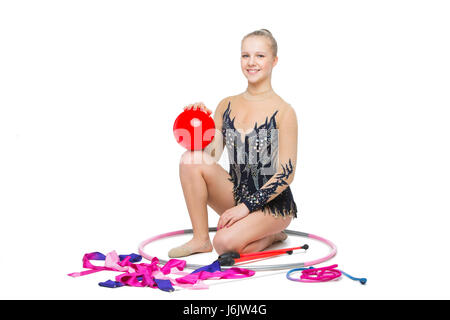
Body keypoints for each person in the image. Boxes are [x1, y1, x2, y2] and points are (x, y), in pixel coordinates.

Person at [169, 29, 298, 258]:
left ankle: (271, 234)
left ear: (274, 61)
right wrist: (198, 124)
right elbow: (210, 157)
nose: (251, 62)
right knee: (190, 160)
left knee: (225, 243)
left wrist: (245, 208)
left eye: (260, 56)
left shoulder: (284, 111)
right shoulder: (226, 104)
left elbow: (286, 174)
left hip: (273, 204)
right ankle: (200, 239)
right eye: (245, 55)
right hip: (237, 193)